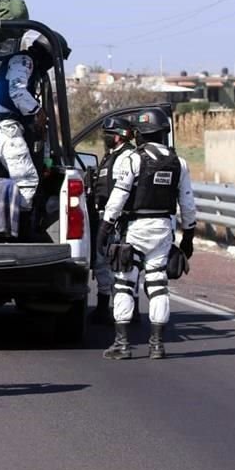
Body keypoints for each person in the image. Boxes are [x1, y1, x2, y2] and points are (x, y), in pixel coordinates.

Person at [97, 109, 197, 360]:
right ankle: (157, 345)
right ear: (164, 133)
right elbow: (187, 204)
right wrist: (188, 238)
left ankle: (122, 344)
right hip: (164, 228)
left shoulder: (133, 159)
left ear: (140, 134)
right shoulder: (179, 162)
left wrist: (105, 228)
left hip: (136, 228)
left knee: (124, 282)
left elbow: (118, 198)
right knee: (157, 283)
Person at [0, 30, 70, 212]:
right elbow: (17, 91)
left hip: (7, 126)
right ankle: (21, 228)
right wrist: (38, 112)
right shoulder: (24, 61)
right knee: (27, 181)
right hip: (5, 127)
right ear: (47, 53)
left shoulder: (28, 63)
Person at [89, 117, 136, 324]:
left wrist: (108, 224)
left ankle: (117, 310)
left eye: (108, 135)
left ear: (117, 136)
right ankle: (109, 308)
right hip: (108, 217)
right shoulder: (113, 156)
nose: (104, 139)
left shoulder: (126, 158)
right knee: (110, 264)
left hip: (116, 219)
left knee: (117, 264)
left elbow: (120, 192)